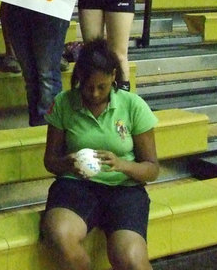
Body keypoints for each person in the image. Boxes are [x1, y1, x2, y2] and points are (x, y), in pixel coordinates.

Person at [41, 38, 159, 270]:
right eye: (87, 86)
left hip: (124, 191)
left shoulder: (133, 105)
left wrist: (122, 165)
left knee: (132, 260)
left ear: (114, 76)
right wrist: (67, 163)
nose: (94, 93)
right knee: (60, 236)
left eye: (101, 87)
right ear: (79, 79)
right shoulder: (64, 103)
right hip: (75, 186)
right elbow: (50, 162)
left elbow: (152, 169)